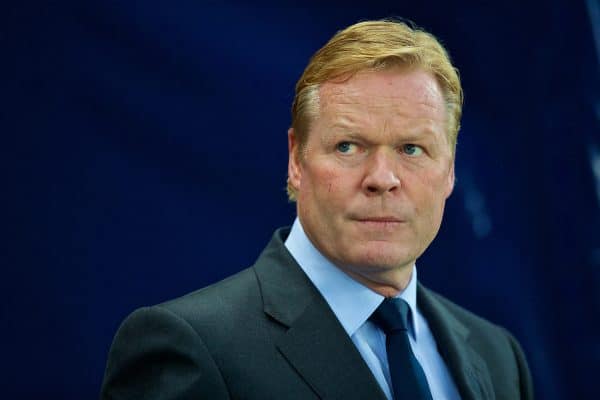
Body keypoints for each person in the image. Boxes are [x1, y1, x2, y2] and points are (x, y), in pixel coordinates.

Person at [101, 19, 534, 399]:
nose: (382, 177)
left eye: (412, 148)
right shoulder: (190, 348)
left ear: (450, 170)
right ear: (296, 160)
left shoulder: (498, 358)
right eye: (348, 145)